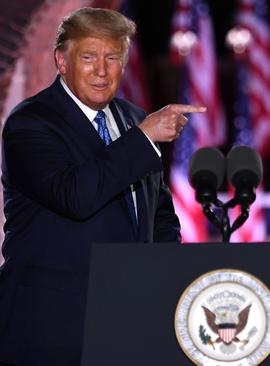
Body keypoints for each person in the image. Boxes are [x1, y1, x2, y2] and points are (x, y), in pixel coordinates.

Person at [0, 8, 205, 364]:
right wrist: (143, 139)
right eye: (89, 57)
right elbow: (75, 195)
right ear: (61, 61)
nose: (101, 70)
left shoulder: (134, 119)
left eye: (112, 57)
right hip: (50, 327)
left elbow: (158, 216)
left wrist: (164, 279)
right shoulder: (30, 124)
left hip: (127, 322)